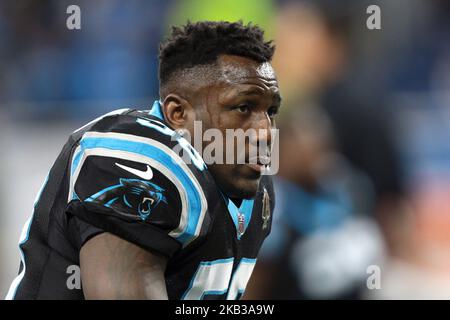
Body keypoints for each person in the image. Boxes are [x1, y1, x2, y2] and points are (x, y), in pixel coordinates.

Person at [6, 21, 281, 300]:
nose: (265, 132)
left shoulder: (257, 192)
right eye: (243, 107)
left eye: (271, 111)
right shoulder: (137, 158)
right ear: (178, 114)